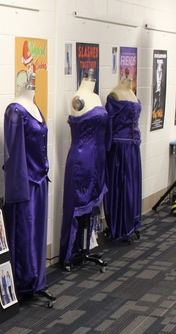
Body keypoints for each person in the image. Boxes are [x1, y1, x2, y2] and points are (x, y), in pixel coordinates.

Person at [2, 73, 52, 299]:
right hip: (26, 184)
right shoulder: (15, 111)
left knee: (38, 232)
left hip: (40, 182)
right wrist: (20, 188)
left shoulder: (35, 107)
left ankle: (37, 279)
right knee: (25, 232)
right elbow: (14, 154)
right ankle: (24, 281)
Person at [60, 71, 111, 267]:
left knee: (91, 206)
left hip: (98, 159)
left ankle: (85, 249)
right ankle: (69, 253)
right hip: (81, 159)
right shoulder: (78, 99)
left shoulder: (96, 97)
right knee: (76, 206)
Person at [104, 75, 142, 243]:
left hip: (133, 148)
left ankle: (129, 222)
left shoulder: (132, 93)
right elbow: (109, 126)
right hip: (120, 149)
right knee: (121, 186)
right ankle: (119, 226)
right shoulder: (115, 96)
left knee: (132, 185)